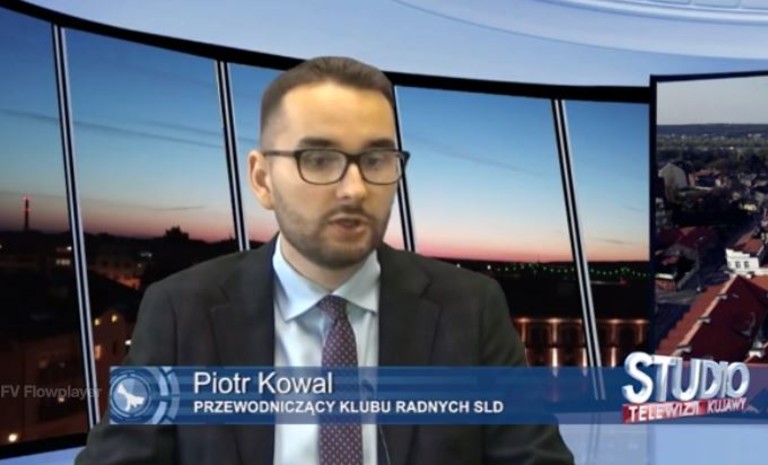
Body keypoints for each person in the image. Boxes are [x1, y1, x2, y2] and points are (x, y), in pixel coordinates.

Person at [75, 56, 575, 465]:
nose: (354, 189)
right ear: (262, 180)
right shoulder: (178, 311)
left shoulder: (472, 307)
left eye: (376, 160)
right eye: (318, 159)